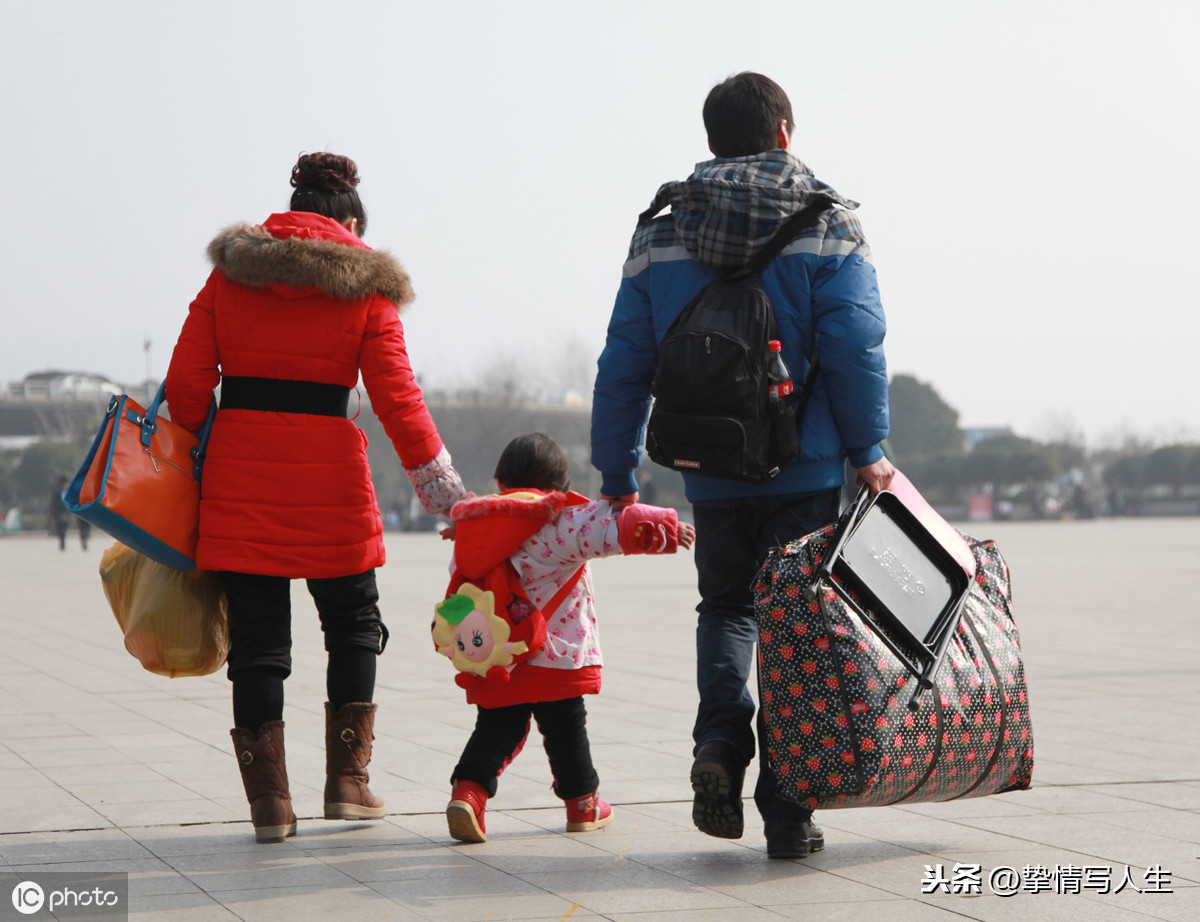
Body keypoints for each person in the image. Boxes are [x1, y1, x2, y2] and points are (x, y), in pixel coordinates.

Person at [590, 73, 895, 859]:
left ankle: (719, 746)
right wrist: (869, 451)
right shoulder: (827, 225)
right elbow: (858, 347)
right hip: (806, 465)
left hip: (710, 467)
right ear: (785, 133)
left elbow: (623, 360)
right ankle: (789, 813)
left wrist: (616, 471)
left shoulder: (662, 229)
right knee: (797, 630)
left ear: (712, 139)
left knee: (726, 610)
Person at [165, 152, 466, 844]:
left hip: (241, 479)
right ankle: (349, 786)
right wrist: (444, 492)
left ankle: (270, 806)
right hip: (332, 479)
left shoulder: (229, 274)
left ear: (289, 207)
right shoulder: (368, 288)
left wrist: (192, 448)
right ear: (351, 221)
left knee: (259, 642)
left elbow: (185, 387)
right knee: (354, 622)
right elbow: (397, 399)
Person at [438, 433, 695, 843]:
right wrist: (666, 528)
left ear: (501, 481)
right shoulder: (560, 517)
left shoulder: (476, 524)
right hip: (557, 656)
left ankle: (469, 793)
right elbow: (612, 527)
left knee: (496, 729)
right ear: (559, 485)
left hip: (502, 655)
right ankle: (582, 804)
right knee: (566, 730)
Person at [48, 475, 69, 551]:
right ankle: (62, 539)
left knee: (61, 526)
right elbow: (54, 502)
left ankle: (62, 540)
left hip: (62, 511)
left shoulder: (62, 490)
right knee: (61, 526)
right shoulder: (60, 490)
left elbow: (52, 502)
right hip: (60, 511)